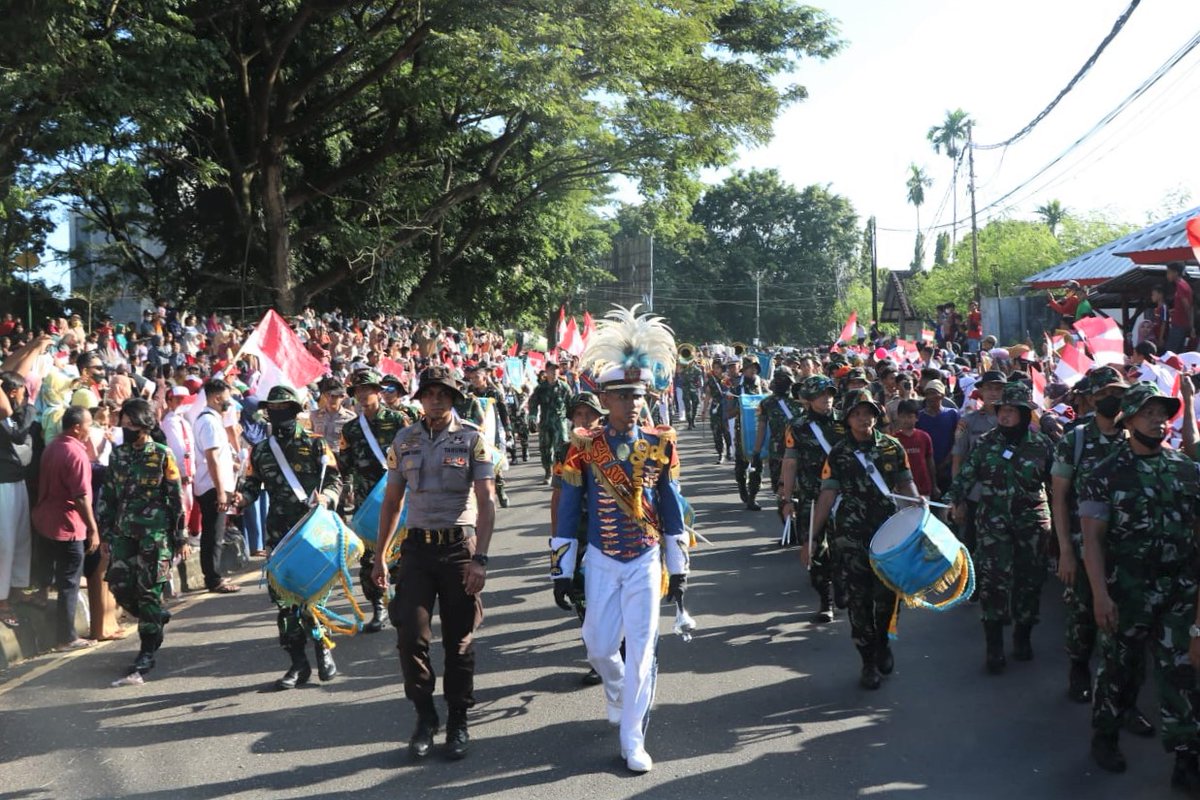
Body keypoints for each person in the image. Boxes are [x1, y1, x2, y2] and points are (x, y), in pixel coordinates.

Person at [549, 305, 688, 773]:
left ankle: (633, 738)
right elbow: (569, 510)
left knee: (644, 649)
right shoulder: (584, 447)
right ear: (605, 399)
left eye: (639, 395)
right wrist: (562, 569)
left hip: (646, 559)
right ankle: (616, 689)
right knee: (598, 647)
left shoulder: (661, 443)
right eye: (624, 396)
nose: (633, 403)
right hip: (603, 560)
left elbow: (669, 505)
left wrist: (679, 565)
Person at [371, 366, 496, 761]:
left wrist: (481, 558)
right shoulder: (403, 440)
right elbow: (392, 502)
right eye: (430, 392)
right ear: (420, 398)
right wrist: (379, 556)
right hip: (417, 551)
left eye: (444, 392)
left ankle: (458, 718)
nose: (437, 398)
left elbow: (487, 500)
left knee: (459, 642)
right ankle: (425, 716)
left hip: (460, 549)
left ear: (454, 398)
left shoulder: (473, 439)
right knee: (411, 636)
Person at [1079, 382, 1200, 791]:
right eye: (1148, 413)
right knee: (1119, 669)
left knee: (1181, 673)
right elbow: (1092, 540)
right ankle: (1106, 736)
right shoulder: (1105, 473)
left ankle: (1186, 757)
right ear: (1128, 420)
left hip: (1179, 591)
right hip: (1126, 589)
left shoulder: (1188, 470)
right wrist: (1099, 594)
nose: (1157, 420)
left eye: (1162, 413)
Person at [1048, 366, 1151, 735]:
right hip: (1082, 544)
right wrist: (1065, 550)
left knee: (1130, 631)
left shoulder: (1135, 437)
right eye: (1108, 391)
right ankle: (1079, 668)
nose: (1117, 398)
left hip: (1127, 553)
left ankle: (1128, 703)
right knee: (1082, 617)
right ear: (1091, 398)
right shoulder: (1075, 440)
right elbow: (1059, 498)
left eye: (1121, 391)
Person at [807, 388, 920, 690]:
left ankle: (883, 641)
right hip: (851, 537)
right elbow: (827, 494)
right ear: (847, 419)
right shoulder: (839, 453)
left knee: (887, 599)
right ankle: (867, 661)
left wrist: (917, 505)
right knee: (859, 601)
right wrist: (813, 538)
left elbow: (905, 484)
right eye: (857, 414)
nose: (863, 419)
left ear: (876, 415)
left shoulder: (892, 447)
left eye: (868, 413)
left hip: (888, 533)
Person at [236, 384, 343, 690]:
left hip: (311, 532)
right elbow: (253, 485)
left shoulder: (315, 444)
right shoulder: (260, 450)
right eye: (273, 411)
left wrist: (328, 498)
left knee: (314, 596)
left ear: (296, 413)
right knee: (284, 603)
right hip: (278, 534)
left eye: (285, 410)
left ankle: (323, 648)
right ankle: (297, 662)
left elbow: (335, 479)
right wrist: (240, 499)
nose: (278, 415)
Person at [945, 382, 1053, 674]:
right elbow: (966, 476)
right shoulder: (987, 443)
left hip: (1031, 523)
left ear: (1023, 413)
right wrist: (956, 501)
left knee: (1029, 582)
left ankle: (1022, 635)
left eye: (1010, 411)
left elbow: (1057, 486)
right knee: (993, 583)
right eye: (1001, 410)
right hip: (993, 524)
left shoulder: (1041, 444)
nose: (1004, 416)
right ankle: (994, 646)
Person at [98, 398, 186, 683]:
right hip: (124, 533)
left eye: (132, 424)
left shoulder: (162, 454)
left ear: (145, 426)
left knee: (148, 592)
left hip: (155, 536)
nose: (127, 428)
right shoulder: (118, 455)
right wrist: (105, 533)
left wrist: (180, 536)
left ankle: (146, 651)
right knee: (120, 587)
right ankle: (155, 616)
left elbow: (176, 498)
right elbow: (108, 495)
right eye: (124, 423)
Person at [338, 369, 409, 634]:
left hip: (398, 496)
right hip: (367, 502)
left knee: (403, 553)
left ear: (378, 391)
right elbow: (344, 465)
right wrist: (342, 488)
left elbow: (414, 454)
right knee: (369, 558)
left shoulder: (398, 420)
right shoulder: (351, 429)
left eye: (368, 389)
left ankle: (402, 604)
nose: (364, 394)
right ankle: (378, 607)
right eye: (358, 390)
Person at [548, 392, 608, 685]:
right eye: (579, 414)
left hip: (611, 532)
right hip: (579, 532)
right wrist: (557, 543)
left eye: (590, 414)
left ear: (601, 417)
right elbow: (558, 496)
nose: (585, 419)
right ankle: (597, 658)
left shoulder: (613, 444)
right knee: (582, 595)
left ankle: (618, 652)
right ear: (571, 419)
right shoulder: (565, 450)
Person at [32, 405, 98, 650]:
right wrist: (93, 529)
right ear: (77, 427)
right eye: (89, 424)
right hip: (68, 524)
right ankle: (67, 637)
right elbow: (81, 496)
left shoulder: (53, 447)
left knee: (54, 575)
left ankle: (42, 602)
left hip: (45, 520)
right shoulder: (75, 453)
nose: (91, 428)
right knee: (69, 582)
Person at [780, 374, 844, 623]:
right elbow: (790, 461)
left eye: (829, 394)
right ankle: (824, 601)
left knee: (844, 546)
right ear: (808, 399)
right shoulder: (797, 426)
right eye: (820, 395)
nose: (827, 399)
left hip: (842, 496)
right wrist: (786, 499)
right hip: (812, 496)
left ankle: (840, 584)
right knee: (815, 548)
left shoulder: (845, 421)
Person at [193, 378, 240, 594]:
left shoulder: (212, 420)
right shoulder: (209, 422)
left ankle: (213, 575)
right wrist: (221, 491)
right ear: (215, 398)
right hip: (213, 487)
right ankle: (214, 578)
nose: (228, 405)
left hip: (217, 485)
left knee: (215, 533)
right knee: (214, 534)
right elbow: (211, 459)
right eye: (227, 400)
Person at [0, 370, 36, 629]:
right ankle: (2, 600)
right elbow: (19, 434)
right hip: (2, 485)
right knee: (5, 543)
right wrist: (30, 408)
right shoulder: (6, 415)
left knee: (21, 539)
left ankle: (16, 588)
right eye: (23, 390)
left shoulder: (13, 413)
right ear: (13, 392)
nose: (26, 394)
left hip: (17, 481)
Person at [753, 367, 801, 508]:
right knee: (779, 488)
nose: (783, 384)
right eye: (780, 380)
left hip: (798, 450)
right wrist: (756, 451)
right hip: (777, 451)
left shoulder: (799, 400)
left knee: (797, 489)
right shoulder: (767, 403)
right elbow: (761, 428)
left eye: (785, 380)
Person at [529, 361, 573, 484]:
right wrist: (532, 417)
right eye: (551, 370)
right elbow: (533, 403)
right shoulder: (540, 389)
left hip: (560, 423)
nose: (554, 372)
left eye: (556, 370)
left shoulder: (564, 387)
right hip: (545, 423)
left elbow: (571, 404)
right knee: (545, 450)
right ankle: (548, 472)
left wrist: (575, 421)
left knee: (561, 448)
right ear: (546, 372)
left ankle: (559, 473)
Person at [916, 379, 958, 494]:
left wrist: (946, 461)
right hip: (925, 468)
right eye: (928, 393)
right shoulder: (919, 417)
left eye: (934, 392)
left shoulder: (952, 414)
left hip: (947, 467)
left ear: (942, 395)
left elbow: (958, 440)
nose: (930, 396)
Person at [892, 400, 936, 500]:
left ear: (916, 418)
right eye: (903, 416)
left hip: (923, 489)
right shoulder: (893, 440)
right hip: (902, 492)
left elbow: (930, 462)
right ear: (898, 417)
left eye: (909, 416)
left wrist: (934, 485)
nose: (906, 420)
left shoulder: (924, 437)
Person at [309, 376, 355, 442]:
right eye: (328, 394)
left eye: (334, 396)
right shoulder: (314, 415)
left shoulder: (350, 418)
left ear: (342, 397)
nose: (330, 399)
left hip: (339, 451)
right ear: (323, 395)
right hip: (320, 451)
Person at [1165, 262, 1194, 353]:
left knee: (1170, 353)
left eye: (1169, 272)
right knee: (1178, 352)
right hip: (1179, 323)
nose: (1167, 275)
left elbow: (1188, 307)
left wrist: (1191, 326)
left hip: (1179, 325)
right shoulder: (1181, 285)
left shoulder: (1182, 286)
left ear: (1176, 273)